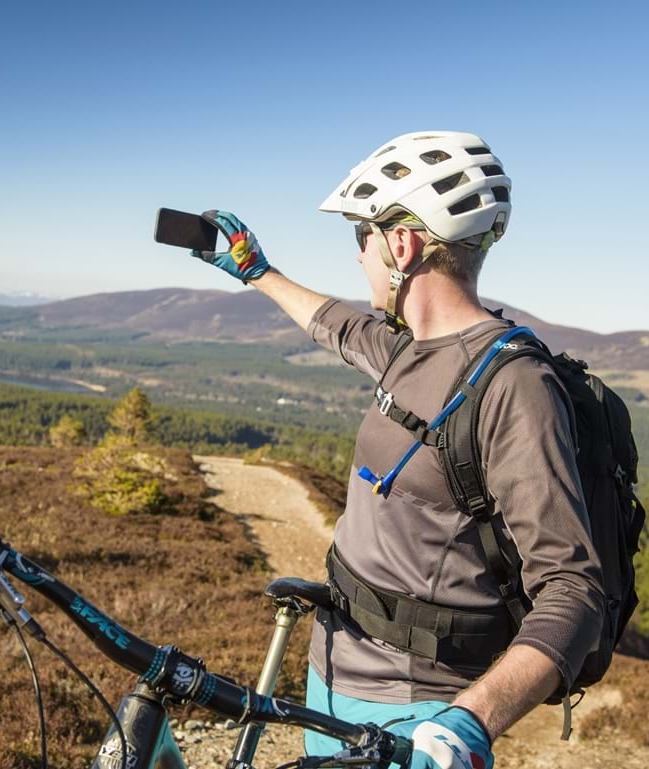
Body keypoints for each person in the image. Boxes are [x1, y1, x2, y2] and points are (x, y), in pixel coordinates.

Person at [188, 132, 605, 769]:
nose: (359, 257)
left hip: (413, 715)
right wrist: (257, 273)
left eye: (362, 237)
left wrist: (469, 724)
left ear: (401, 245)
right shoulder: (412, 350)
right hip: (333, 673)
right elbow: (339, 326)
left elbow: (573, 588)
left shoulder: (515, 388)